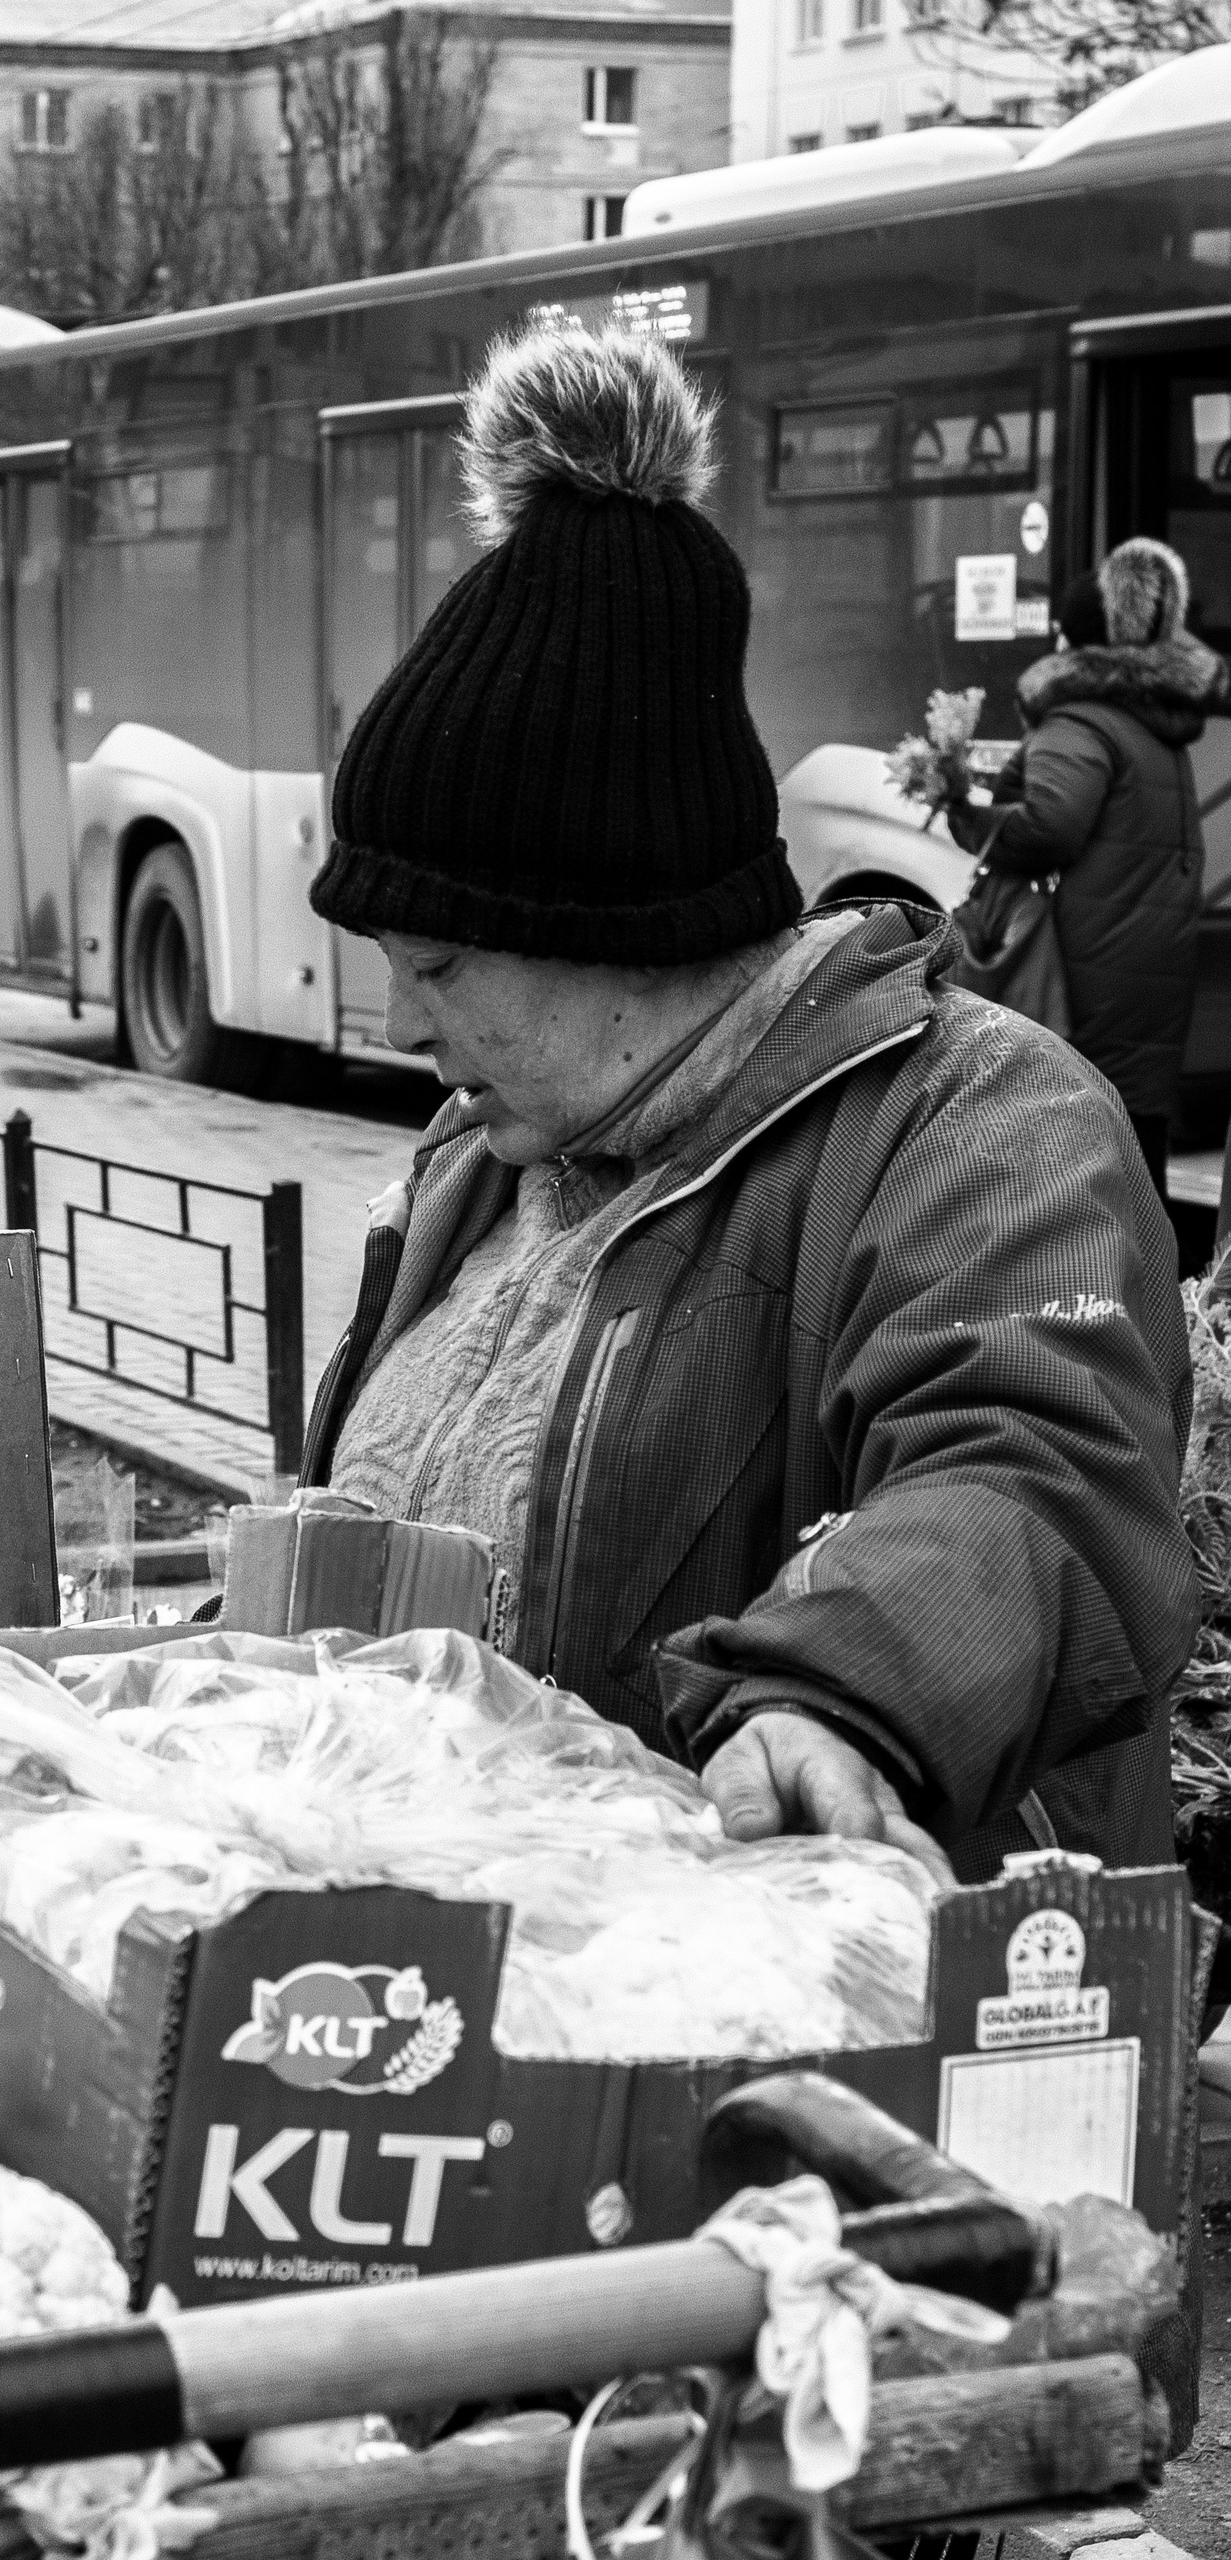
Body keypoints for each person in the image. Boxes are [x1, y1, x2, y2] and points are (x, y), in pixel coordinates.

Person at [302, 326, 1198, 1884]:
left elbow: (1030, 1471)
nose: (400, 1025)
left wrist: (846, 1691)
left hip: (819, 2015)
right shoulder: (481, 1154)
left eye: (438, 961)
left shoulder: (988, 1129)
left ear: (614, 921)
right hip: (463, 1985)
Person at [946, 542, 1221, 1202]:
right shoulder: (1156, 724)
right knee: (1134, 1135)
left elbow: (1049, 827)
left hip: (1088, 966)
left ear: (1070, 641)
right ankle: (1156, 1285)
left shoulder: (1078, 720)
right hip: (1145, 961)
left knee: (1076, 1142)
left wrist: (965, 813)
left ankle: (1088, 1283)